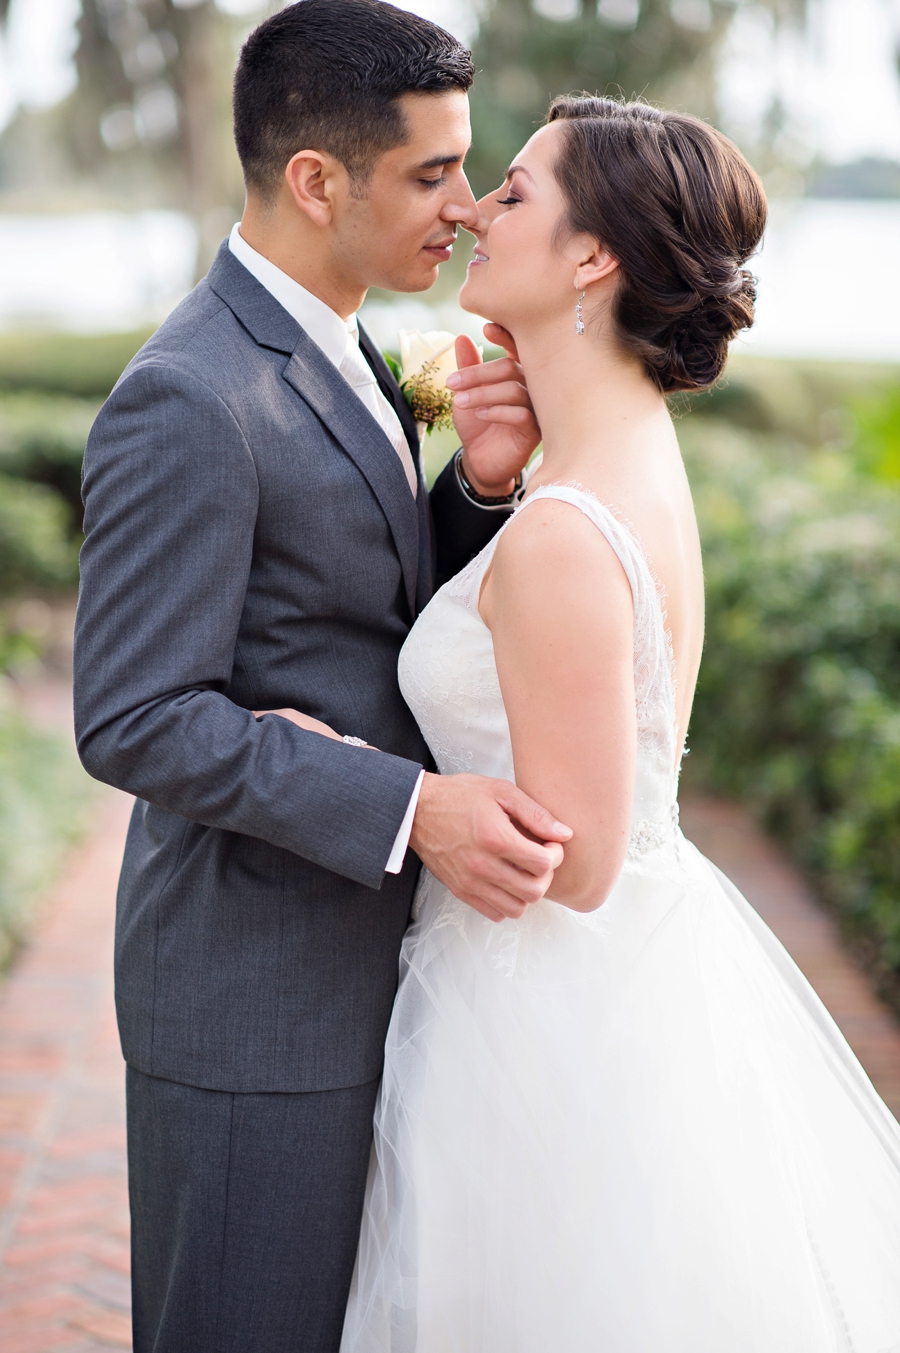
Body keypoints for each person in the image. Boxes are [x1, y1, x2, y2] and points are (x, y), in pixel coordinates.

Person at [336, 98, 900, 1351]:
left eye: (518, 193)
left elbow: (575, 861)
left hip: (539, 1025)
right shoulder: (621, 459)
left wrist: (360, 778)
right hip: (637, 973)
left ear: (595, 258)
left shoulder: (562, 534)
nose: (480, 207)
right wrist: (490, 477)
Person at [72, 4, 571, 1350]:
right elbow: (133, 715)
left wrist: (470, 490)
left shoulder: (341, 340)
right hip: (256, 994)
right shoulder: (190, 392)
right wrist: (411, 807)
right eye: (432, 174)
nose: (466, 209)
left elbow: (359, 609)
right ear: (315, 180)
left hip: (366, 961)